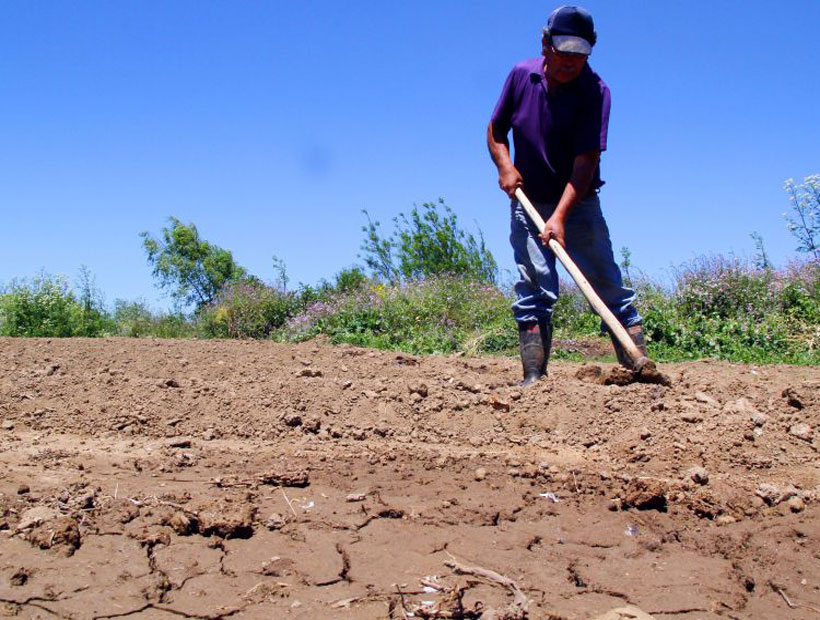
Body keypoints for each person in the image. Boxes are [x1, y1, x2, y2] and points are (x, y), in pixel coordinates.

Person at [487, 5, 647, 386]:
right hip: (528, 200)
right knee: (534, 283)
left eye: (581, 53)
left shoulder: (595, 92)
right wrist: (505, 167)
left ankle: (639, 363)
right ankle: (533, 376)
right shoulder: (521, 75)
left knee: (606, 282)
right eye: (564, 51)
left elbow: (585, 163)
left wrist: (560, 216)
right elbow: (495, 131)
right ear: (545, 45)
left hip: (579, 201)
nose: (571, 62)